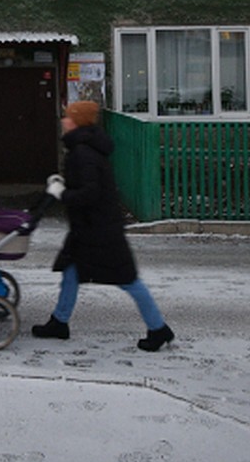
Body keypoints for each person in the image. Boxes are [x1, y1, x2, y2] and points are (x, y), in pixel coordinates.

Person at [32, 99, 175, 352]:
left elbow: (90, 193)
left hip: (100, 230)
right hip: (90, 228)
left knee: (127, 279)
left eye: (68, 117)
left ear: (77, 122)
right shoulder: (83, 148)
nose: (63, 121)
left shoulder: (83, 153)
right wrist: (64, 186)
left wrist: (62, 194)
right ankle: (59, 322)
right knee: (71, 271)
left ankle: (158, 328)